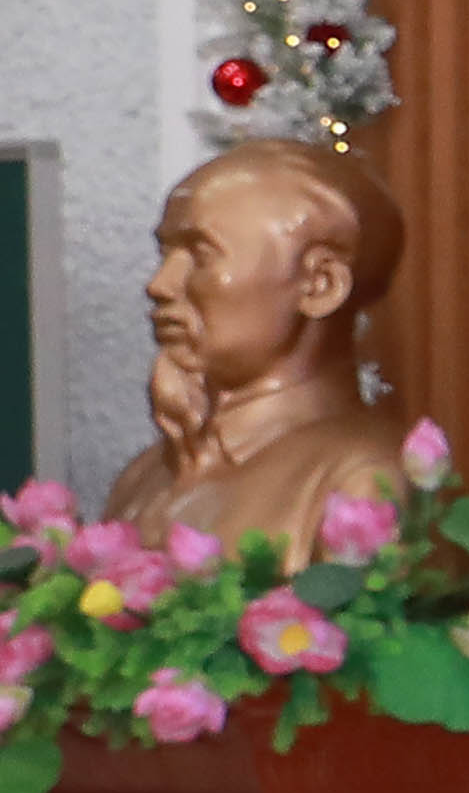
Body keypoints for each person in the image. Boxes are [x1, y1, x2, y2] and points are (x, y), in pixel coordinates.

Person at [105, 137, 417, 572]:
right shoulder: (144, 478)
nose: (159, 284)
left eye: (201, 254)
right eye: (166, 254)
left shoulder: (362, 482)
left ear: (320, 284)